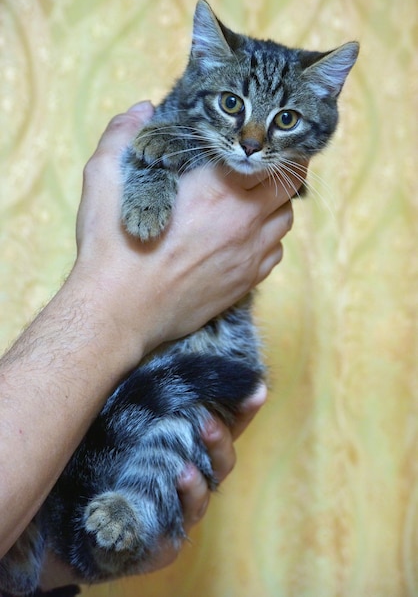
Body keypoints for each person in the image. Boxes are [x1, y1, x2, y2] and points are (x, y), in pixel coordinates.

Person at [0, 101, 305, 594]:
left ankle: (123, 517)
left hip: (189, 368)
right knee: (161, 405)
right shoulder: (173, 129)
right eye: (232, 104)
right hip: (167, 366)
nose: (250, 136)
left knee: (181, 424)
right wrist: (119, 294)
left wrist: (57, 565)